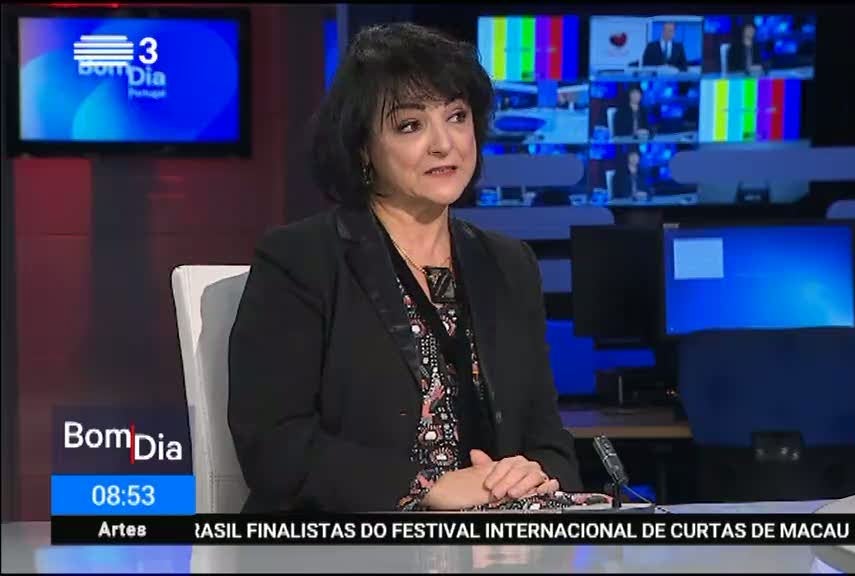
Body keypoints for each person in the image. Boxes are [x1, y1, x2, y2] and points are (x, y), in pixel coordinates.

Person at [228, 23, 607, 513]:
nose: (444, 144)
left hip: (494, 536)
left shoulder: (510, 265)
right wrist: (427, 487)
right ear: (363, 147)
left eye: (457, 117)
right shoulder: (301, 260)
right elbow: (274, 446)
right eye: (411, 125)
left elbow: (550, 445)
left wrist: (529, 473)